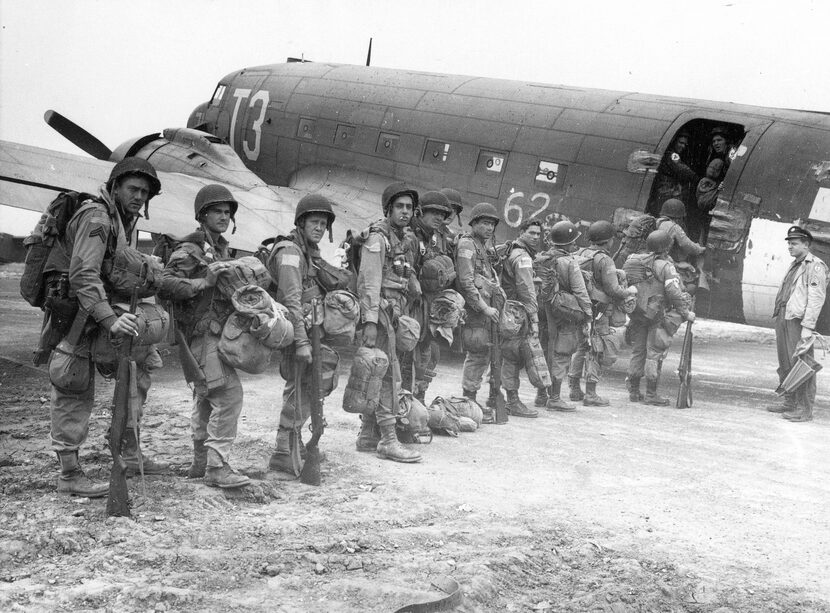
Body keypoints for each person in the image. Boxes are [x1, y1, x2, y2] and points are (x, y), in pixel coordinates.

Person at [50, 157, 166, 497]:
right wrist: (112, 319)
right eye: (133, 188)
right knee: (72, 384)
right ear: (115, 187)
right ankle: (69, 473)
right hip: (77, 315)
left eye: (144, 192)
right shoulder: (98, 217)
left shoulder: (122, 220)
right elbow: (83, 275)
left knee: (141, 363)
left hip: (100, 314)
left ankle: (128, 451)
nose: (139, 196)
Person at [159, 184, 250, 489]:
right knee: (228, 394)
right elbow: (165, 283)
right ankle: (216, 465)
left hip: (216, 334)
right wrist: (203, 282)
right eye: (218, 211)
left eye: (228, 212)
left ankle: (201, 461)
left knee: (206, 396)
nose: (224, 217)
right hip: (200, 336)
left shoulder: (219, 248)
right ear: (203, 215)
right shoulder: (190, 249)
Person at [265, 194, 340, 472]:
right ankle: (284, 450)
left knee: (305, 388)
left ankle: (289, 446)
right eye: (314, 222)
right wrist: (301, 342)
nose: (319, 228)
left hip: (311, 331)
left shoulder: (308, 251)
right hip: (300, 332)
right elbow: (291, 299)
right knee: (302, 388)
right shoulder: (290, 252)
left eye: (323, 223)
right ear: (301, 222)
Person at [356, 183, 423, 462]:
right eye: (400, 207)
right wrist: (370, 321)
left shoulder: (404, 239)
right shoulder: (378, 239)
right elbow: (369, 283)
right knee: (387, 377)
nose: (405, 212)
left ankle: (368, 434)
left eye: (409, 207)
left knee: (381, 374)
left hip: (394, 314)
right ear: (388, 209)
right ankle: (388, 440)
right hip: (381, 315)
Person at [567, 220, 636, 406]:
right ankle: (591, 393)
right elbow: (613, 290)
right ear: (608, 240)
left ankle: (573, 388)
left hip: (580, 308)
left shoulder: (579, 253)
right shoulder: (605, 259)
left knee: (582, 347)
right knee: (597, 350)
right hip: (599, 311)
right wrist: (630, 291)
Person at [624, 230, 695, 405]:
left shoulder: (636, 261)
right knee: (654, 352)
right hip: (657, 315)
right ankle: (650, 395)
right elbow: (673, 292)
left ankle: (633, 391)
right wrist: (686, 313)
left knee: (638, 350)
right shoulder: (665, 266)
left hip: (637, 313)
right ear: (666, 247)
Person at [769, 226, 828, 422]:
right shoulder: (796, 264)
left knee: (802, 365)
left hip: (798, 321)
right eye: (789, 243)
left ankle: (804, 409)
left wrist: (808, 327)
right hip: (784, 316)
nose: (790, 247)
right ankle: (789, 401)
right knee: (786, 363)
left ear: (806, 244)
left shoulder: (815, 266)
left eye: (794, 243)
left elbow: (816, 298)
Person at [456, 203, 504, 408]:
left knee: (484, 353)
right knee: (477, 353)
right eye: (485, 223)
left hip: (485, 309)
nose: (490, 227)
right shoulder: (468, 245)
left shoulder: (481, 246)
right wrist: (484, 308)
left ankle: (472, 398)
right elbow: (466, 281)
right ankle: (469, 399)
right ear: (474, 223)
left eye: (492, 224)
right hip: (476, 310)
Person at [407, 190, 453, 403]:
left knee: (429, 356)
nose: (439, 218)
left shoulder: (431, 238)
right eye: (434, 212)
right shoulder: (410, 237)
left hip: (426, 309)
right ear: (420, 212)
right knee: (407, 360)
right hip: (410, 308)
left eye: (443, 215)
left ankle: (418, 400)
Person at [541, 220, 592, 411]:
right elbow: (580, 292)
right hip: (564, 314)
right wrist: (588, 315)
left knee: (546, 350)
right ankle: (554, 398)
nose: (575, 245)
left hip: (544, 312)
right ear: (568, 243)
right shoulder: (569, 262)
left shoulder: (543, 257)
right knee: (562, 354)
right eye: (573, 242)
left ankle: (541, 396)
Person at [499, 220, 546, 417]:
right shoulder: (522, 257)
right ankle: (512, 401)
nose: (536, 237)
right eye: (532, 233)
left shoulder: (511, 249)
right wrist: (534, 319)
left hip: (507, 311)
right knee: (512, 357)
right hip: (517, 314)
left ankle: (499, 397)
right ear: (521, 232)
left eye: (538, 234)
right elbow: (527, 290)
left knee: (505, 355)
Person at [655, 198, 706, 290]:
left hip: (652, 258)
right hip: (662, 261)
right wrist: (700, 249)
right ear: (679, 217)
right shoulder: (674, 227)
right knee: (691, 287)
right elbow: (687, 245)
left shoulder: (657, 222)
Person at [649, 132, 698, 217]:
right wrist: (697, 178)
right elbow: (682, 170)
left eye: (685, 144)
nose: (683, 146)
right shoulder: (672, 155)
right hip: (666, 192)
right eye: (681, 143)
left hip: (664, 192)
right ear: (674, 142)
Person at [691, 158, 725, 243]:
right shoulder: (705, 182)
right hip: (705, 212)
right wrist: (718, 190)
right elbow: (706, 199)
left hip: (704, 213)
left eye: (716, 169)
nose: (713, 171)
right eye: (712, 168)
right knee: (704, 234)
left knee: (704, 233)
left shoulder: (706, 181)